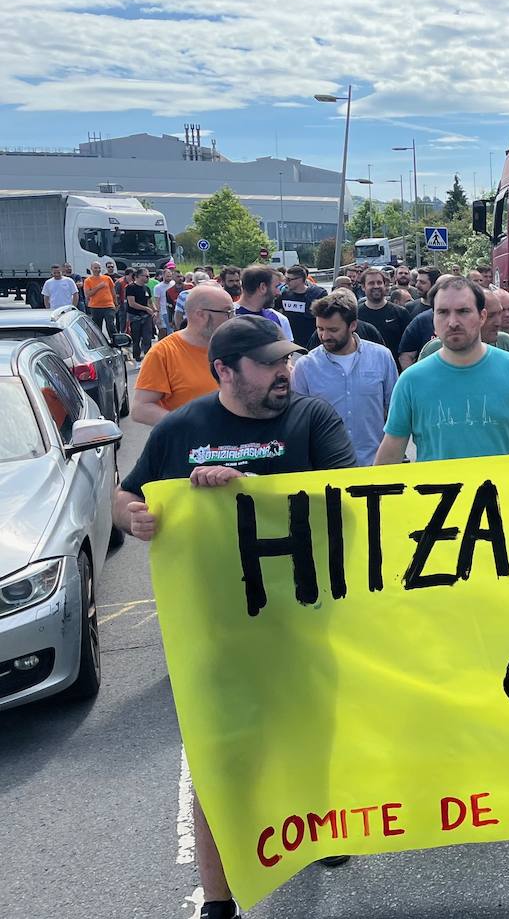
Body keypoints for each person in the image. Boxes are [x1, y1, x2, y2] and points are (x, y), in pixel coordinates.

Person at [115, 316, 355, 919]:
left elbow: (347, 501)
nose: (285, 372)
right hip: (216, 625)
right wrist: (131, 518)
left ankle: (315, 826)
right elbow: (128, 494)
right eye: (269, 363)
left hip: (304, 616)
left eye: (287, 361)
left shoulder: (311, 418)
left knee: (310, 733)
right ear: (223, 371)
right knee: (219, 756)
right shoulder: (182, 428)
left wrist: (249, 488)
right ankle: (219, 896)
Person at [375, 276, 509, 464]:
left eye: (463, 311)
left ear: (482, 316)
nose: (453, 322)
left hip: (503, 493)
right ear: (433, 318)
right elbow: (388, 458)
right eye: (443, 312)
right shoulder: (410, 381)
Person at [291, 291, 397, 466]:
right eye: (320, 329)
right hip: (325, 468)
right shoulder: (305, 366)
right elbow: (297, 423)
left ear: (352, 325)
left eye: (333, 330)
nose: (324, 336)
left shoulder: (381, 357)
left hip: (375, 465)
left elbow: (394, 411)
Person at [132, 284, 235, 425]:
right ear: (201, 315)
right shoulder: (164, 352)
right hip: (191, 444)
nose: (232, 318)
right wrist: (189, 426)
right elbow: (141, 409)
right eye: (227, 312)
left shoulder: (238, 346)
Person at [356, 267, 411, 358]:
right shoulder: (356, 315)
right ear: (363, 287)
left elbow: (409, 346)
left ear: (384, 285)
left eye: (379, 282)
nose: (376, 286)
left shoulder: (401, 313)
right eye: (371, 283)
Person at [277, 264, 328, 346]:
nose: (286, 282)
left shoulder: (317, 295)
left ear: (300, 280)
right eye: (286, 279)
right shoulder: (285, 295)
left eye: (289, 279)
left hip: (311, 343)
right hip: (290, 342)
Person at [235, 264, 291, 338]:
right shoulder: (227, 315)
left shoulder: (280, 319)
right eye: (276, 287)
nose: (279, 293)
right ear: (263, 287)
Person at [123, 267, 156, 362]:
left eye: (149, 276)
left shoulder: (147, 288)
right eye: (146, 276)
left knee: (147, 338)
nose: (148, 278)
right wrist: (145, 308)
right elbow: (131, 303)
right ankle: (137, 358)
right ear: (138, 276)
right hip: (135, 317)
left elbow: (149, 301)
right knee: (136, 338)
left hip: (146, 317)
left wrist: (154, 310)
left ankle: (148, 358)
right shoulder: (131, 288)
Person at [83, 262, 118, 340]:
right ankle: (99, 342)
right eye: (95, 268)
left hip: (108, 306)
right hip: (95, 307)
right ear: (91, 269)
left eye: (99, 268)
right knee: (97, 327)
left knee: (111, 325)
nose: (97, 270)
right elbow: (88, 294)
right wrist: (98, 287)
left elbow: (113, 292)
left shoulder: (107, 278)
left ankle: (115, 342)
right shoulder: (88, 280)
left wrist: (116, 303)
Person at [152, 269, 173, 338]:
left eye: (170, 276)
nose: (169, 278)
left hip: (172, 311)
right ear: (163, 276)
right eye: (167, 276)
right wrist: (157, 315)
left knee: (171, 332)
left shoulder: (173, 284)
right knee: (163, 331)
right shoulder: (158, 287)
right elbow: (157, 301)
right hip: (163, 312)